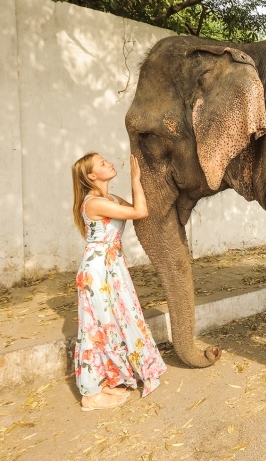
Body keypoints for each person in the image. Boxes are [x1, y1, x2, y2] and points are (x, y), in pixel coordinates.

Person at [71, 152, 166, 411]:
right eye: (102, 164)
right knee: (94, 330)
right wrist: (135, 177)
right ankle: (90, 395)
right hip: (97, 271)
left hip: (111, 268)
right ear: (92, 176)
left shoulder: (109, 199)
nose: (109, 163)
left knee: (110, 325)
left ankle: (103, 382)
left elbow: (138, 205)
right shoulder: (93, 202)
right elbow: (140, 211)